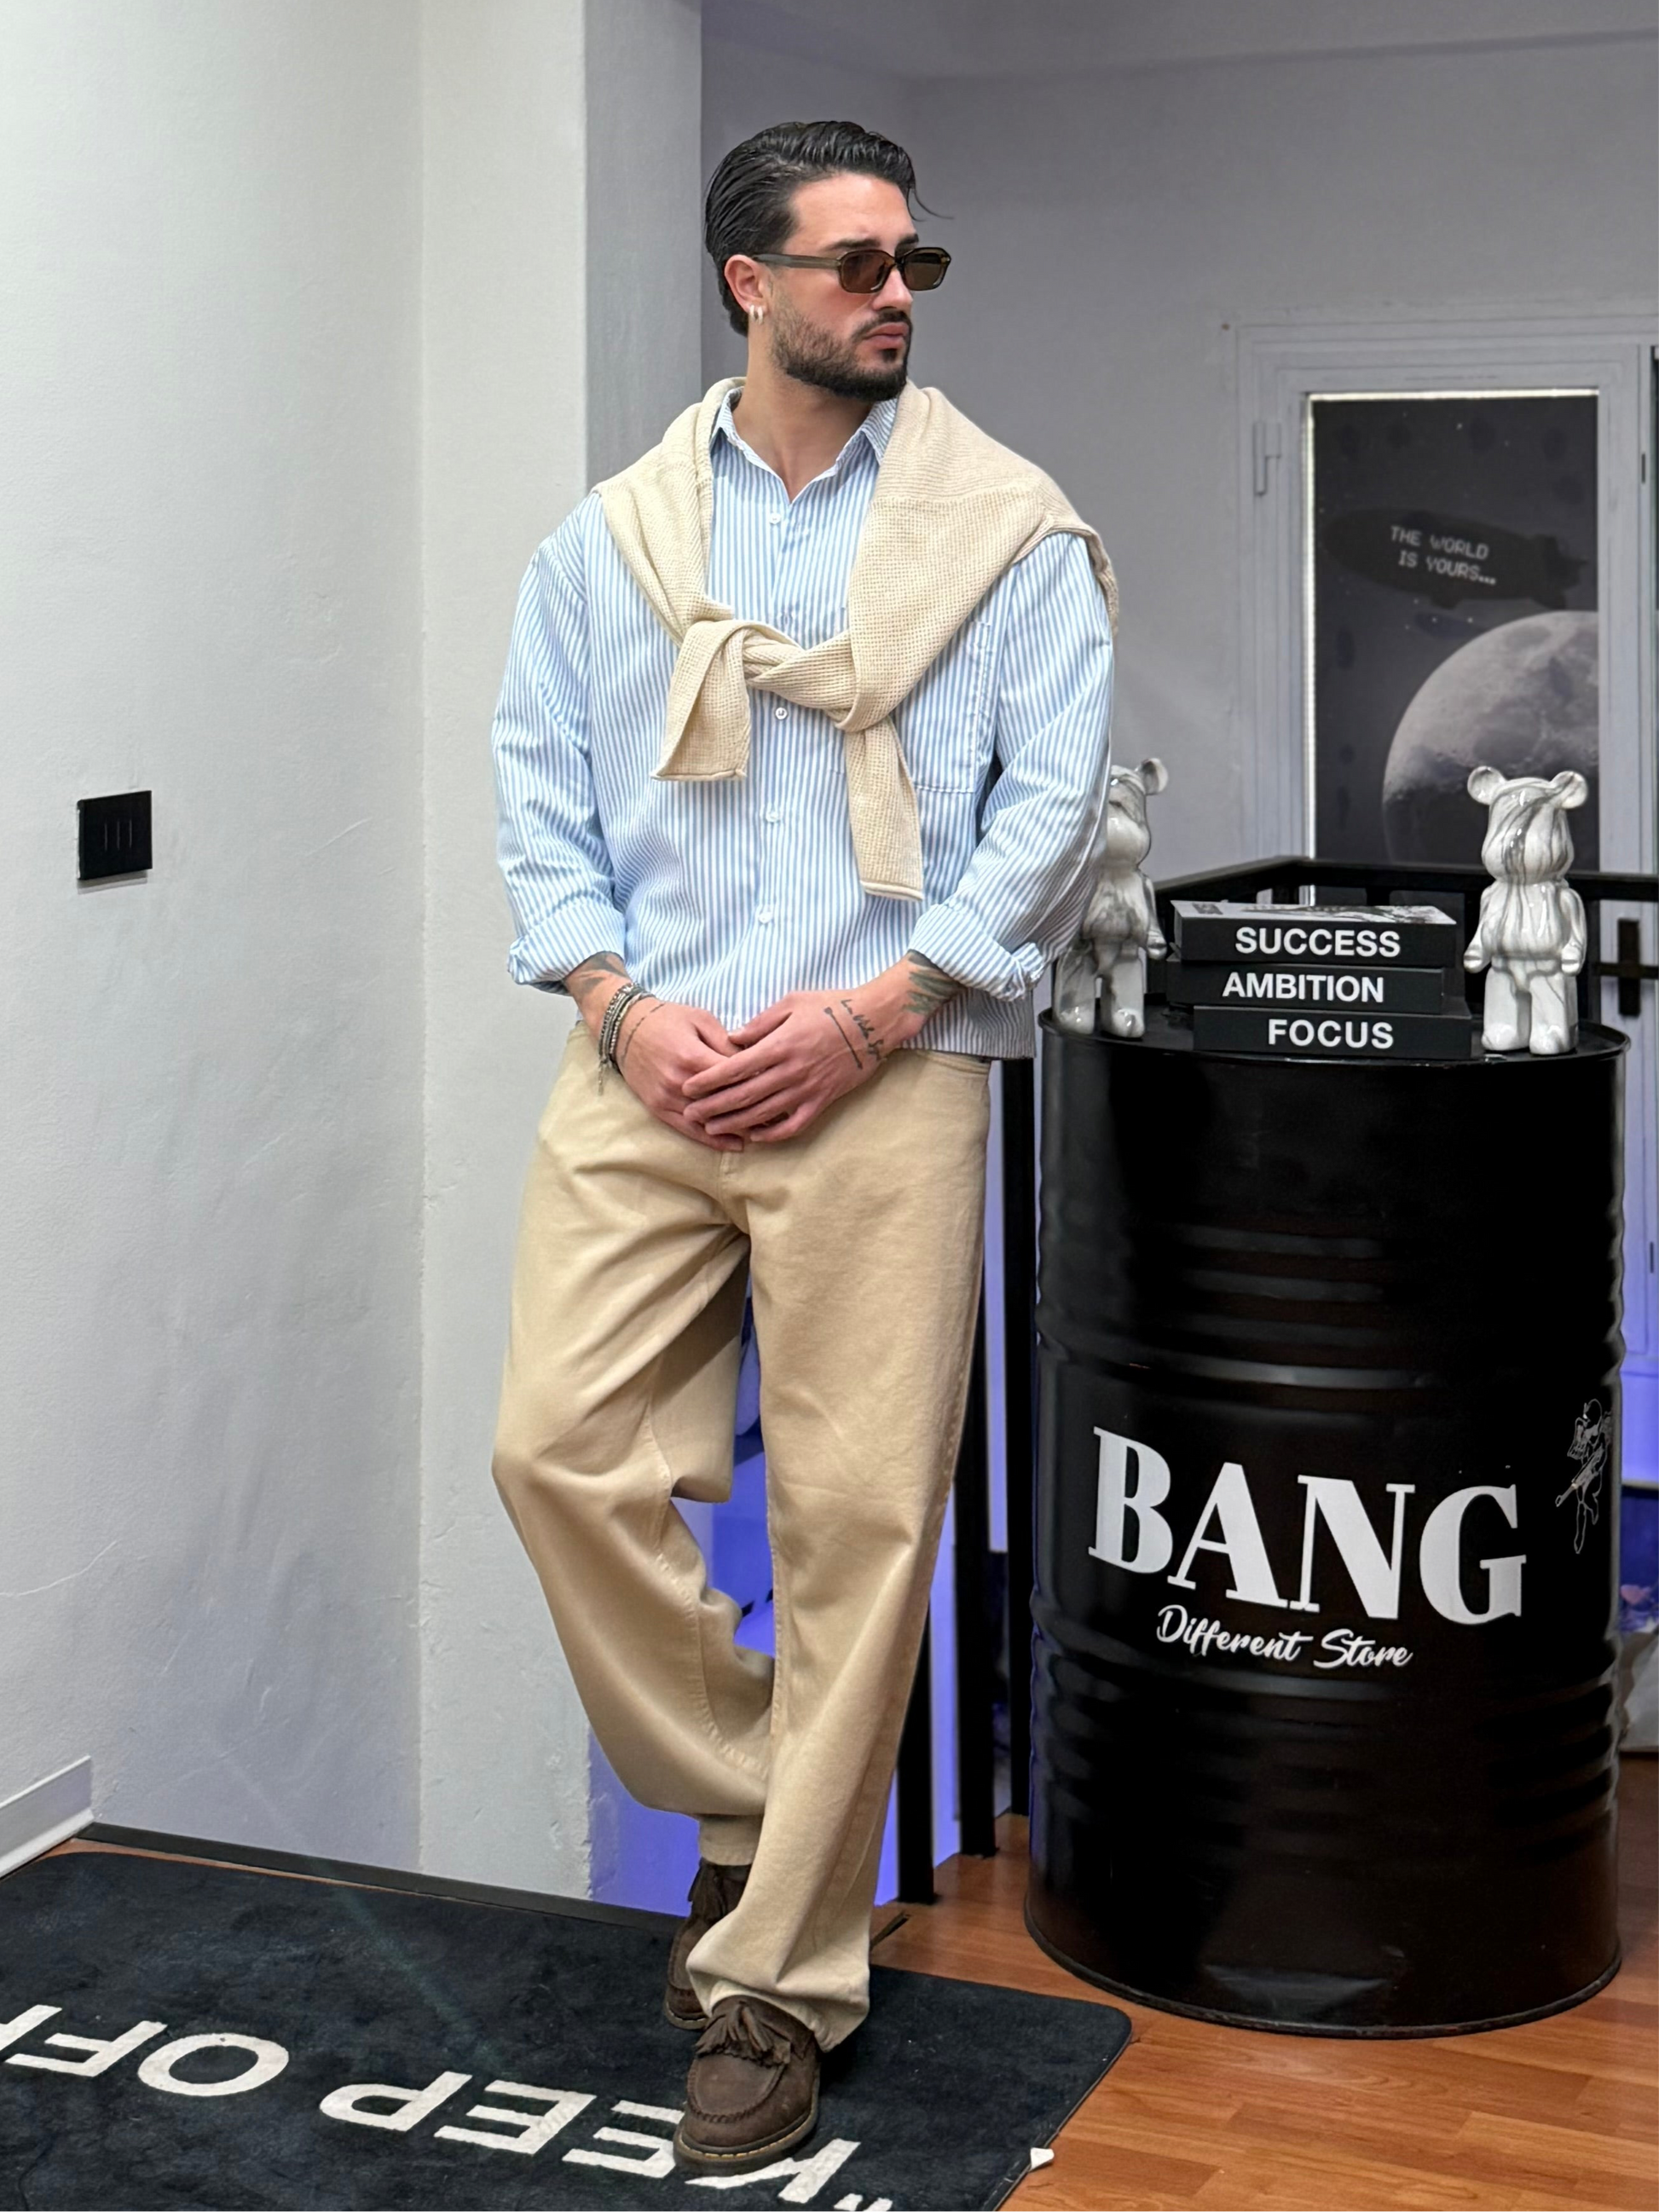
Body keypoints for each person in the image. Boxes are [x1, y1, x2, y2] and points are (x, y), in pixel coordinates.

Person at [488, 118, 1116, 2177]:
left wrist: (878, 1009)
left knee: (857, 1526)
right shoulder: (610, 543)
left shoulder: (1010, 535)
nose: (893, 292)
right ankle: (773, 1804)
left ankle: (775, 1982)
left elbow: (1047, 813)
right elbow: (539, 797)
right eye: (854, 262)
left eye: (911, 260)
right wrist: (620, 1008)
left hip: (886, 1070)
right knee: (557, 1453)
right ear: (747, 285)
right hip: (645, 1062)